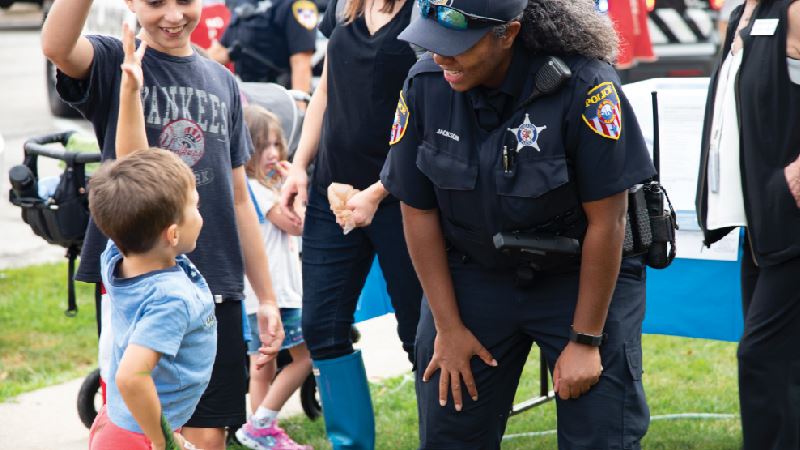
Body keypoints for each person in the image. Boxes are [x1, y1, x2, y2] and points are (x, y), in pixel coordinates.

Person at [380, 0, 656, 448]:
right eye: (432, 44)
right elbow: (418, 208)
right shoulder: (426, 83)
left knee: (601, 432)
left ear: (507, 34)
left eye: (457, 45)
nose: (441, 57)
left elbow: (609, 221)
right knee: (452, 428)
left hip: (578, 274)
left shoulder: (585, 86)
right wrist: (448, 330)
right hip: (474, 274)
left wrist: (586, 340)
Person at [41, 2, 284, 449]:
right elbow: (57, 45)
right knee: (145, 431)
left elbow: (238, 198)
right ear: (131, 3)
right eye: (155, 2)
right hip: (145, 289)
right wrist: (130, 87)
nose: (172, 15)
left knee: (210, 433)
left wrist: (265, 296)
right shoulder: (117, 61)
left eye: (184, 1)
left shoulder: (223, 81)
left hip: (216, 285)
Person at [278, 0, 422, 447]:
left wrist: (379, 192)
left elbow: (434, 108)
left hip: (402, 197)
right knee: (321, 326)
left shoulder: (427, 11)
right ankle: (351, 444)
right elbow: (327, 88)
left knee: (421, 333)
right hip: (331, 191)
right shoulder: (343, 6)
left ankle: (447, 437)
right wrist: (300, 162)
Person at [695, 1, 800, 448]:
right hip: (760, 224)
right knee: (782, 365)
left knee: (763, 359)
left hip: (790, 223)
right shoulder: (742, 14)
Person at [88, 148, 208, 450]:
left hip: (121, 421)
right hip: (138, 435)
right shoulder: (169, 300)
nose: (200, 212)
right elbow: (131, 376)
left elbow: (126, 202)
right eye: (195, 206)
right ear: (172, 234)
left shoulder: (117, 255)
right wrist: (163, 441)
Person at [235, 104, 313, 450]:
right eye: (261, 146)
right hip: (277, 295)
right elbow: (298, 227)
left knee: (262, 364)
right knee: (305, 357)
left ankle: (261, 432)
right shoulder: (262, 191)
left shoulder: (249, 189)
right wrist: (293, 192)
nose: (272, 154)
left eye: (276, 145)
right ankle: (261, 425)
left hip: (256, 297)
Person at [207, 0, 318, 93]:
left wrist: (299, 110)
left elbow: (301, 62)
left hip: (280, 96)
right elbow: (219, 52)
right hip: (248, 93)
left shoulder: (297, 3)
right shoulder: (243, 3)